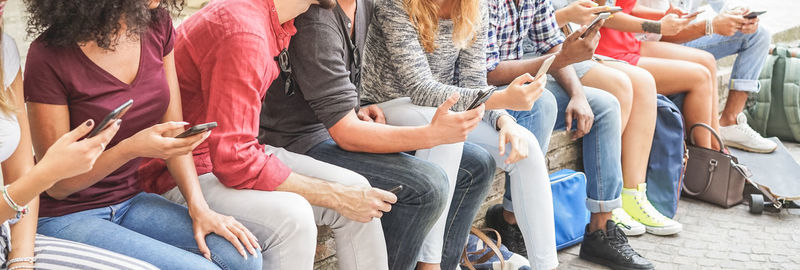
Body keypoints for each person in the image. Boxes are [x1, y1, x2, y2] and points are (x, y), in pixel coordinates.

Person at [137, 0, 403, 269]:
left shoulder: (275, 19)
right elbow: (235, 160)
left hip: (227, 151)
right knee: (293, 218)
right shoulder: (245, 32)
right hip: (181, 171)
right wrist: (335, 196)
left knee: (358, 190)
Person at [22, 1, 262, 269]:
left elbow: (174, 131)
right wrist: (130, 148)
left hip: (130, 200)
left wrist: (200, 208)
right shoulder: (47, 56)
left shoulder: (156, 23)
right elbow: (57, 185)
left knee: (244, 257)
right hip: (66, 215)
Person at [258, 0, 496, 269]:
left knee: (477, 166)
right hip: (297, 141)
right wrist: (432, 135)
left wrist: (355, 106)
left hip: (330, 127)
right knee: (426, 186)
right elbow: (346, 134)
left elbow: (336, 85)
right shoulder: (316, 22)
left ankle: (441, 263)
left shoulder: (363, 5)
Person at [360, 0, 566, 268]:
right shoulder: (396, 5)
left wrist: (504, 119)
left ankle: (547, 265)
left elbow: (474, 82)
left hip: (446, 106)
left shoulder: (474, 8)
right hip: (390, 105)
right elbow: (420, 87)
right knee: (449, 133)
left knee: (525, 145)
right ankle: (430, 264)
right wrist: (501, 99)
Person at [483, 0, 656, 269]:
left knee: (605, 105)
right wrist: (561, 57)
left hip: (522, 84)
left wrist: (578, 95)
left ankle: (601, 228)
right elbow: (488, 72)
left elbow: (552, 45)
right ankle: (510, 220)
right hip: (485, 92)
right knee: (541, 104)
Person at [0, 7, 157, 267]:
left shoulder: (5, 50)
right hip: (61, 215)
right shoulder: (49, 55)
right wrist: (48, 173)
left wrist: (22, 260)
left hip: (10, 234)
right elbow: (45, 184)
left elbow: (20, 173)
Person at [549, 0, 683, 237]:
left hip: (571, 47)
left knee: (644, 81)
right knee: (620, 85)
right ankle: (608, 198)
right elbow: (534, 30)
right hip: (547, 52)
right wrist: (567, 15)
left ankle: (633, 194)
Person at [636, 0, 775, 153]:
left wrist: (740, 17)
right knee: (704, 68)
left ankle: (730, 122)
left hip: (687, 35)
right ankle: (711, 155)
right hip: (652, 39)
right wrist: (709, 26)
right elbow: (656, 31)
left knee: (759, 34)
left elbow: (724, 5)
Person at [595, 0, 721, 151]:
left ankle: (718, 151)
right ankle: (705, 164)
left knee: (707, 61)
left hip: (625, 41)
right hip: (606, 50)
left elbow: (627, 7)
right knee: (701, 77)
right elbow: (602, 13)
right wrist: (657, 26)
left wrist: (663, 16)